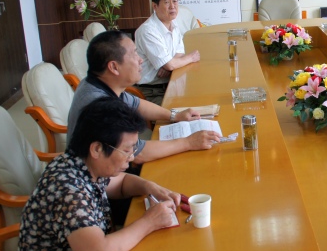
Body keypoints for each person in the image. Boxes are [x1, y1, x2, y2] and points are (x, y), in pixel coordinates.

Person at [18, 98, 181, 251]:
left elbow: (120, 184)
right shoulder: (68, 191)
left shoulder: (80, 162)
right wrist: (150, 222)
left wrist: (149, 187)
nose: (131, 158)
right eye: (127, 150)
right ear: (97, 149)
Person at [68, 30, 221, 166]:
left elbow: (136, 104)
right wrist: (189, 142)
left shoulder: (99, 83)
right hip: (100, 181)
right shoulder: (100, 105)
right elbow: (138, 153)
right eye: (134, 54)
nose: (140, 60)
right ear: (114, 67)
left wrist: (174, 115)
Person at [135, 0, 201, 104]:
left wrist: (170, 66)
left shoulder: (173, 25)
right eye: (166, 2)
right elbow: (171, 64)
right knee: (184, 112)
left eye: (175, 1)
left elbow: (178, 55)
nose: (172, 6)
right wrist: (191, 57)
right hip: (152, 91)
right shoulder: (148, 30)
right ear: (155, 6)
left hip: (171, 83)